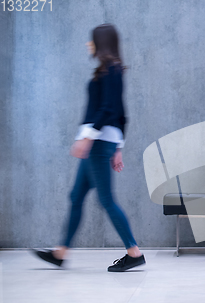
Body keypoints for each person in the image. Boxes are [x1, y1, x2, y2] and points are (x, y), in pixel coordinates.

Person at [33, 24, 145, 272]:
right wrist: (118, 147)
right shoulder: (109, 70)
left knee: (106, 199)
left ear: (101, 42)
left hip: (96, 143)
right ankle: (61, 252)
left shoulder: (112, 70)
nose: (88, 44)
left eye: (91, 40)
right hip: (101, 142)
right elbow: (121, 115)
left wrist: (88, 138)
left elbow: (109, 109)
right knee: (76, 197)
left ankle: (134, 252)